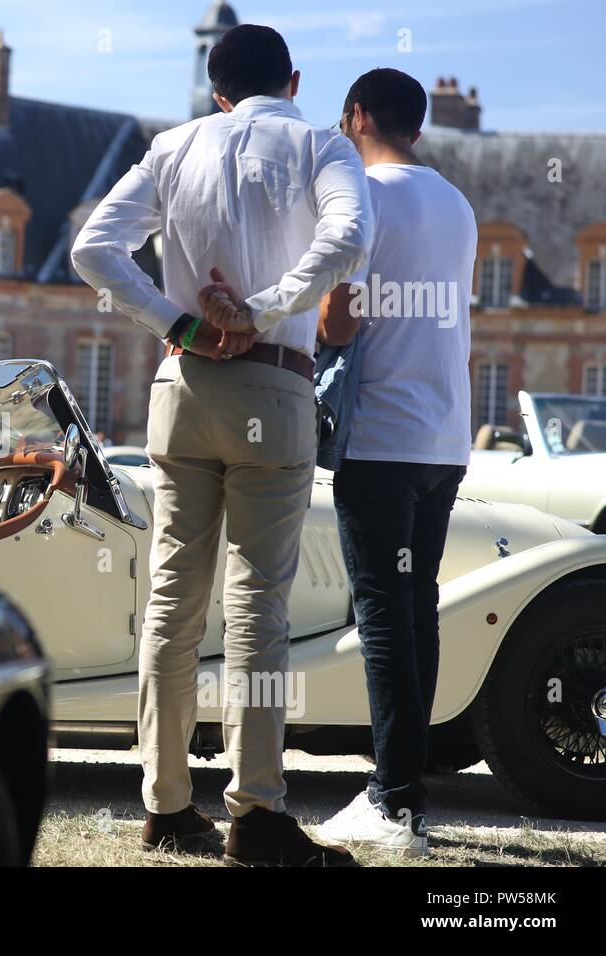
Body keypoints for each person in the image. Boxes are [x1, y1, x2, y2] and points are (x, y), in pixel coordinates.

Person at [71, 23, 371, 865]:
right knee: (259, 611)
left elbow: (93, 247)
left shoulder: (172, 145)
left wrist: (182, 323)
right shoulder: (319, 143)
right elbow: (349, 239)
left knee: (172, 602)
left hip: (182, 386)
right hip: (272, 387)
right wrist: (265, 306)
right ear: (295, 79)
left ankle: (166, 806)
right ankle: (257, 811)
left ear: (217, 92)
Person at [312, 69, 476, 858]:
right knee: (416, 609)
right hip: (445, 438)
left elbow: (341, 321)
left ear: (360, 116)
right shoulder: (457, 202)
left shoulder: (363, 198)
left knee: (381, 612)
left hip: (381, 433)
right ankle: (408, 792)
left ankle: (394, 799)